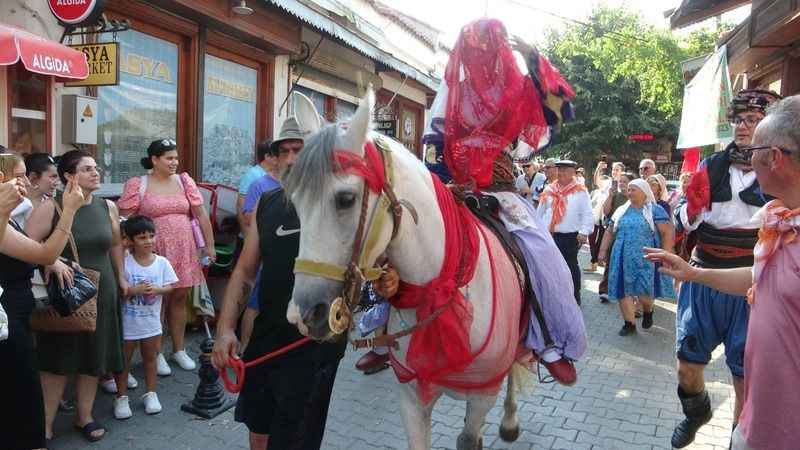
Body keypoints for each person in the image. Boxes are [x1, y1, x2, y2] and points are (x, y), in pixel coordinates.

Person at [211, 127, 399, 450]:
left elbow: (378, 258)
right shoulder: (269, 204)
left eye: (298, 150)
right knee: (258, 430)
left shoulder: (340, 204)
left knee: (296, 441)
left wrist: (387, 276)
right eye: (282, 152)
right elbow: (243, 271)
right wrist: (225, 329)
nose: (290, 159)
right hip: (266, 339)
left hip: (315, 346)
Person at [645, 94, 800, 450]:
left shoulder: (783, 178)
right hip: (705, 271)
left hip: (755, 280)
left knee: (744, 379)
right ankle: (696, 412)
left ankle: (737, 440)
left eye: (751, 119)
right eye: (738, 119)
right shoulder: (711, 166)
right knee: (687, 367)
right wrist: (693, 207)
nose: (743, 126)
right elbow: (682, 218)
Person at [26, 150, 127, 443]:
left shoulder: (108, 206)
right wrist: (49, 261)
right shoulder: (51, 208)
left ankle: (84, 416)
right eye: (87, 169)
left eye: (96, 168)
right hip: (67, 295)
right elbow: (26, 244)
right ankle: (43, 424)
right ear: (69, 176)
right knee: (58, 359)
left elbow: (116, 243)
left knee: (93, 357)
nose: (96, 173)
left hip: (103, 289)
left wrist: (120, 276)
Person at [0, 167, 85, 450]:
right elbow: (45, 252)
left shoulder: (9, 217)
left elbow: (42, 255)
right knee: (20, 397)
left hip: (16, 317)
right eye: (17, 174)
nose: (25, 182)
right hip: (7, 322)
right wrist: (70, 210)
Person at [117, 139, 215, 375]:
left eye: (176, 158)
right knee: (156, 300)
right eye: (169, 158)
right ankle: (155, 353)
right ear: (154, 160)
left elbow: (201, 215)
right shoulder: (138, 184)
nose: (174, 162)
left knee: (180, 297)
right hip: (152, 251)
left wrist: (209, 246)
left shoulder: (184, 181)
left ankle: (179, 349)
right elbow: (124, 220)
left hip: (184, 248)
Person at [113, 215, 178, 420]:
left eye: (151, 236)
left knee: (150, 358)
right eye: (142, 237)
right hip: (128, 324)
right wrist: (134, 290)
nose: (148, 240)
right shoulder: (124, 263)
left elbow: (170, 286)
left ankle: (151, 393)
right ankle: (121, 396)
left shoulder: (162, 262)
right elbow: (119, 289)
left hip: (151, 323)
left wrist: (157, 289)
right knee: (124, 361)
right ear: (130, 240)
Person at [598, 179, 674, 335]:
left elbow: (667, 232)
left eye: (633, 189)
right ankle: (629, 323)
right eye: (629, 189)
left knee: (644, 292)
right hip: (621, 256)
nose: (629, 192)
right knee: (622, 290)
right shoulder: (621, 210)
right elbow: (609, 231)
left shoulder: (655, 210)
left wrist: (666, 255)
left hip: (646, 257)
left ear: (644, 191)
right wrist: (602, 251)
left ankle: (648, 310)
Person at [536, 159, 594, 305]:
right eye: (559, 169)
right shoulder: (549, 189)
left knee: (570, 266)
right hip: (549, 236)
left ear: (572, 173)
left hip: (570, 237)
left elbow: (587, 213)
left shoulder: (580, 191)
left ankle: (575, 296)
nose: (560, 173)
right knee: (551, 267)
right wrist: (537, 230)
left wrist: (584, 231)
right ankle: (554, 298)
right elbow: (540, 212)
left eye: (564, 170)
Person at [597, 172, 632, 302]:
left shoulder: (634, 198)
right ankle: (604, 291)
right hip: (613, 235)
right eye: (620, 181)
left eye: (624, 181)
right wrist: (610, 196)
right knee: (610, 264)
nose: (622, 184)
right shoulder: (615, 196)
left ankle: (624, 293)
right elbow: (605, 212)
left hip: (629, 238)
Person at [237, 140, 276, 236]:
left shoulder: (273, 175)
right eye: (275, 154)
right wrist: (246, 235)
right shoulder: (253, 175)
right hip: (253, 234)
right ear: (267, 156)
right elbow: (240, 206)